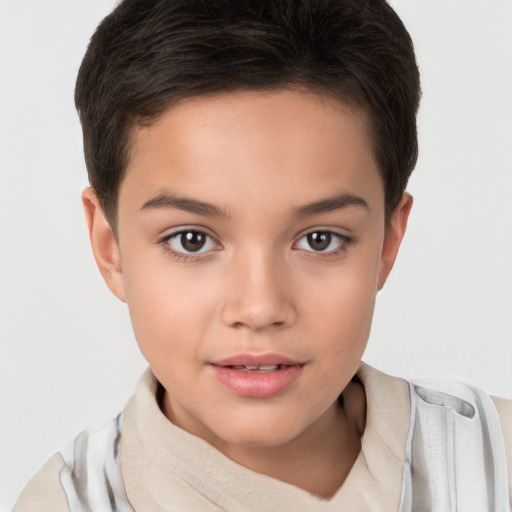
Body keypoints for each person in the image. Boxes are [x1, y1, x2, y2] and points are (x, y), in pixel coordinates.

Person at [11, 0, 512, 510]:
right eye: (192, 240)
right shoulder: (65, 501)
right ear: (110, 245)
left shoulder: (497, 467)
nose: (259, 307)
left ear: (387, 241)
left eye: (320, 239)